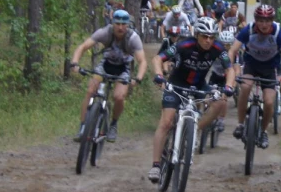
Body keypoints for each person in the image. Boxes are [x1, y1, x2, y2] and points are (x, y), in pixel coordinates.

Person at [148, 16, 235, 183]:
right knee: (166, 122)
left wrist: (229, 87)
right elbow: (158, 59)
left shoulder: (218, 48)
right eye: (204, 36)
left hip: (199, 85)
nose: (208, 41)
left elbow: (229, 69)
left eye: (211, 37)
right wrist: (159, 76)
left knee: (219, 102)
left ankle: (195, 131)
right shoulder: (184, 45)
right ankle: (156, 165)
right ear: (197, 35)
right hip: (176, 84)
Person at [70, 9, 147, 143]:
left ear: (128, 25)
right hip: (105, 66)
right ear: (113, 23)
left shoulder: (133, 38)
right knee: (90, 91)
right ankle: (82, 127)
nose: (120, 27)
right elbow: (83, 47)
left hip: (123, 69)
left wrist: (138, 78)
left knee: (119, 97)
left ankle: (113, 124)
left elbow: (142, 61)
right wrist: (75, 63)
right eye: (117, 24)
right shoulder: (105, 32)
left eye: (124, 24)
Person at [228, 3, 281, 150]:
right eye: (261, 20)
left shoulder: (278, 33)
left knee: (269, 102)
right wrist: (232, 69)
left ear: (272, 20)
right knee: (245, 87)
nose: (264, 24)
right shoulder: (248, 30)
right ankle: (240, 124)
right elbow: (232, 51)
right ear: (256, 20)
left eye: (268, 20)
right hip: (251, 65)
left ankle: (263, 131)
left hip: (270, 68)